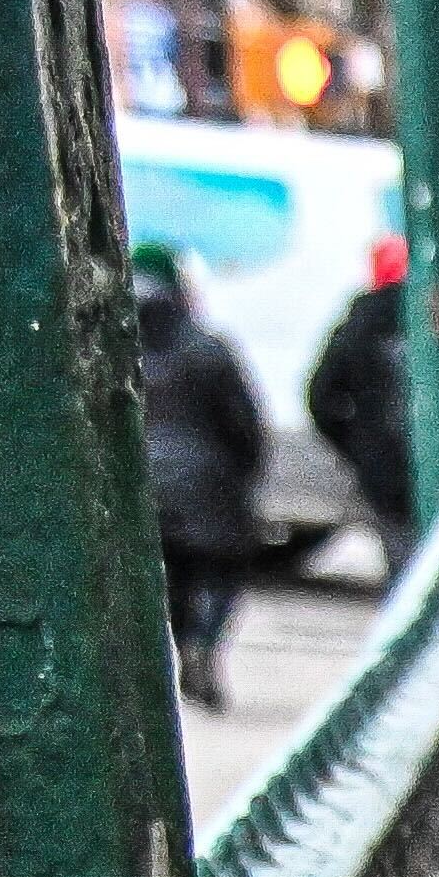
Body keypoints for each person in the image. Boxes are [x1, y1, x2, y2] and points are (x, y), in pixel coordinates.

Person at [133, 248, 265, 711]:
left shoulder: (119, 351)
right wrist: (243, 473)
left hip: (146, 485)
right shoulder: (207, 348)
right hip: (210, 484)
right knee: (222, 572)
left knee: (173, 579)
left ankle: (188, 640)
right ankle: (204, 641)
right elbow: (244, 424)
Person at [307, 239, 413, 575]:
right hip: (436, 464)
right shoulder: (437, 315)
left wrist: (358, 447)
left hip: (384, 469)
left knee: (404, 569)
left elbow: (320, 396)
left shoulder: (360, 323)